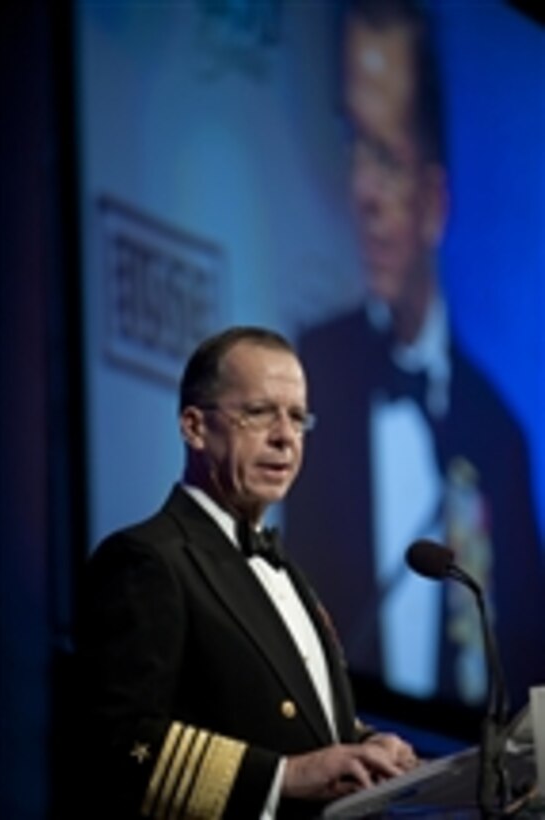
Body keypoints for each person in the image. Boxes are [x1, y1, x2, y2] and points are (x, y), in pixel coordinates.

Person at [286, 0, 545, 710]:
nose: (362, 191)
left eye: (387, 158)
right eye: (353, 147)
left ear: (434, 202)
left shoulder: (500, 436)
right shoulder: (311, 371)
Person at [76, 326, 418, 820]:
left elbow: (279, 720)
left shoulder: (290, 575)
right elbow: (115, 740)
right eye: (259, 413)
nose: (285, 438)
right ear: (194, 427)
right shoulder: (147, 559)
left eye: (298, 418)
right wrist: (285, 776)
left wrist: (366, 742)